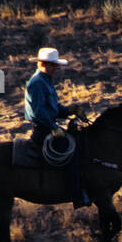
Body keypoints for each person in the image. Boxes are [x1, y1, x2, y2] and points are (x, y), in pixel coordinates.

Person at [24, 47, 88, 208]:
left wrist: (70, 110)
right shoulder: (37, 83)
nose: (54, 68)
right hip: (43, 129)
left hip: (48, 126)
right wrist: (53, 127)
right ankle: (76, 195)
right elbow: (39, 111)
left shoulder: (45, 81)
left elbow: (53, 108)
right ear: (41, 64)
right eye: (51, 65)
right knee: (70, 153)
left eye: (55, 65)